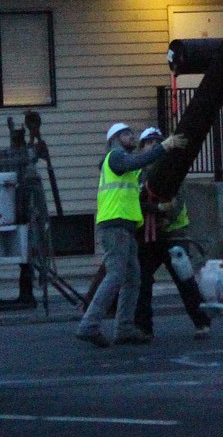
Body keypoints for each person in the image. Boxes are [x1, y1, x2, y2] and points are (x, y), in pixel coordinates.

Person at [77, 121, 187, 348]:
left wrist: (157, 208)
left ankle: (124, 328)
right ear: (115, 139)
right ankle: (89, 325)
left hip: (124, 226)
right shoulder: (116, 157)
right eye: (127, 133)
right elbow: (139, 160)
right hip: (114, 225)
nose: (132, 136)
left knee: (132, 278)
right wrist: (164, 146)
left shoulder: (126, 167)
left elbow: (139, 186)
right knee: (116, 275)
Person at [134, 126, 212, 336]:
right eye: (148, 142)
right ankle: (143, 327)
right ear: (142, 148)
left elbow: (176, 205)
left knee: (183, 278)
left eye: (156, 141)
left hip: (173, 233)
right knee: (142, 280)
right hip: (147, 236)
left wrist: (161, 216)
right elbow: (133, 204)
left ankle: (202, 322)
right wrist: (155, 210)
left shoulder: (172, 171)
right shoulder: (136, 175)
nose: (152, 145)